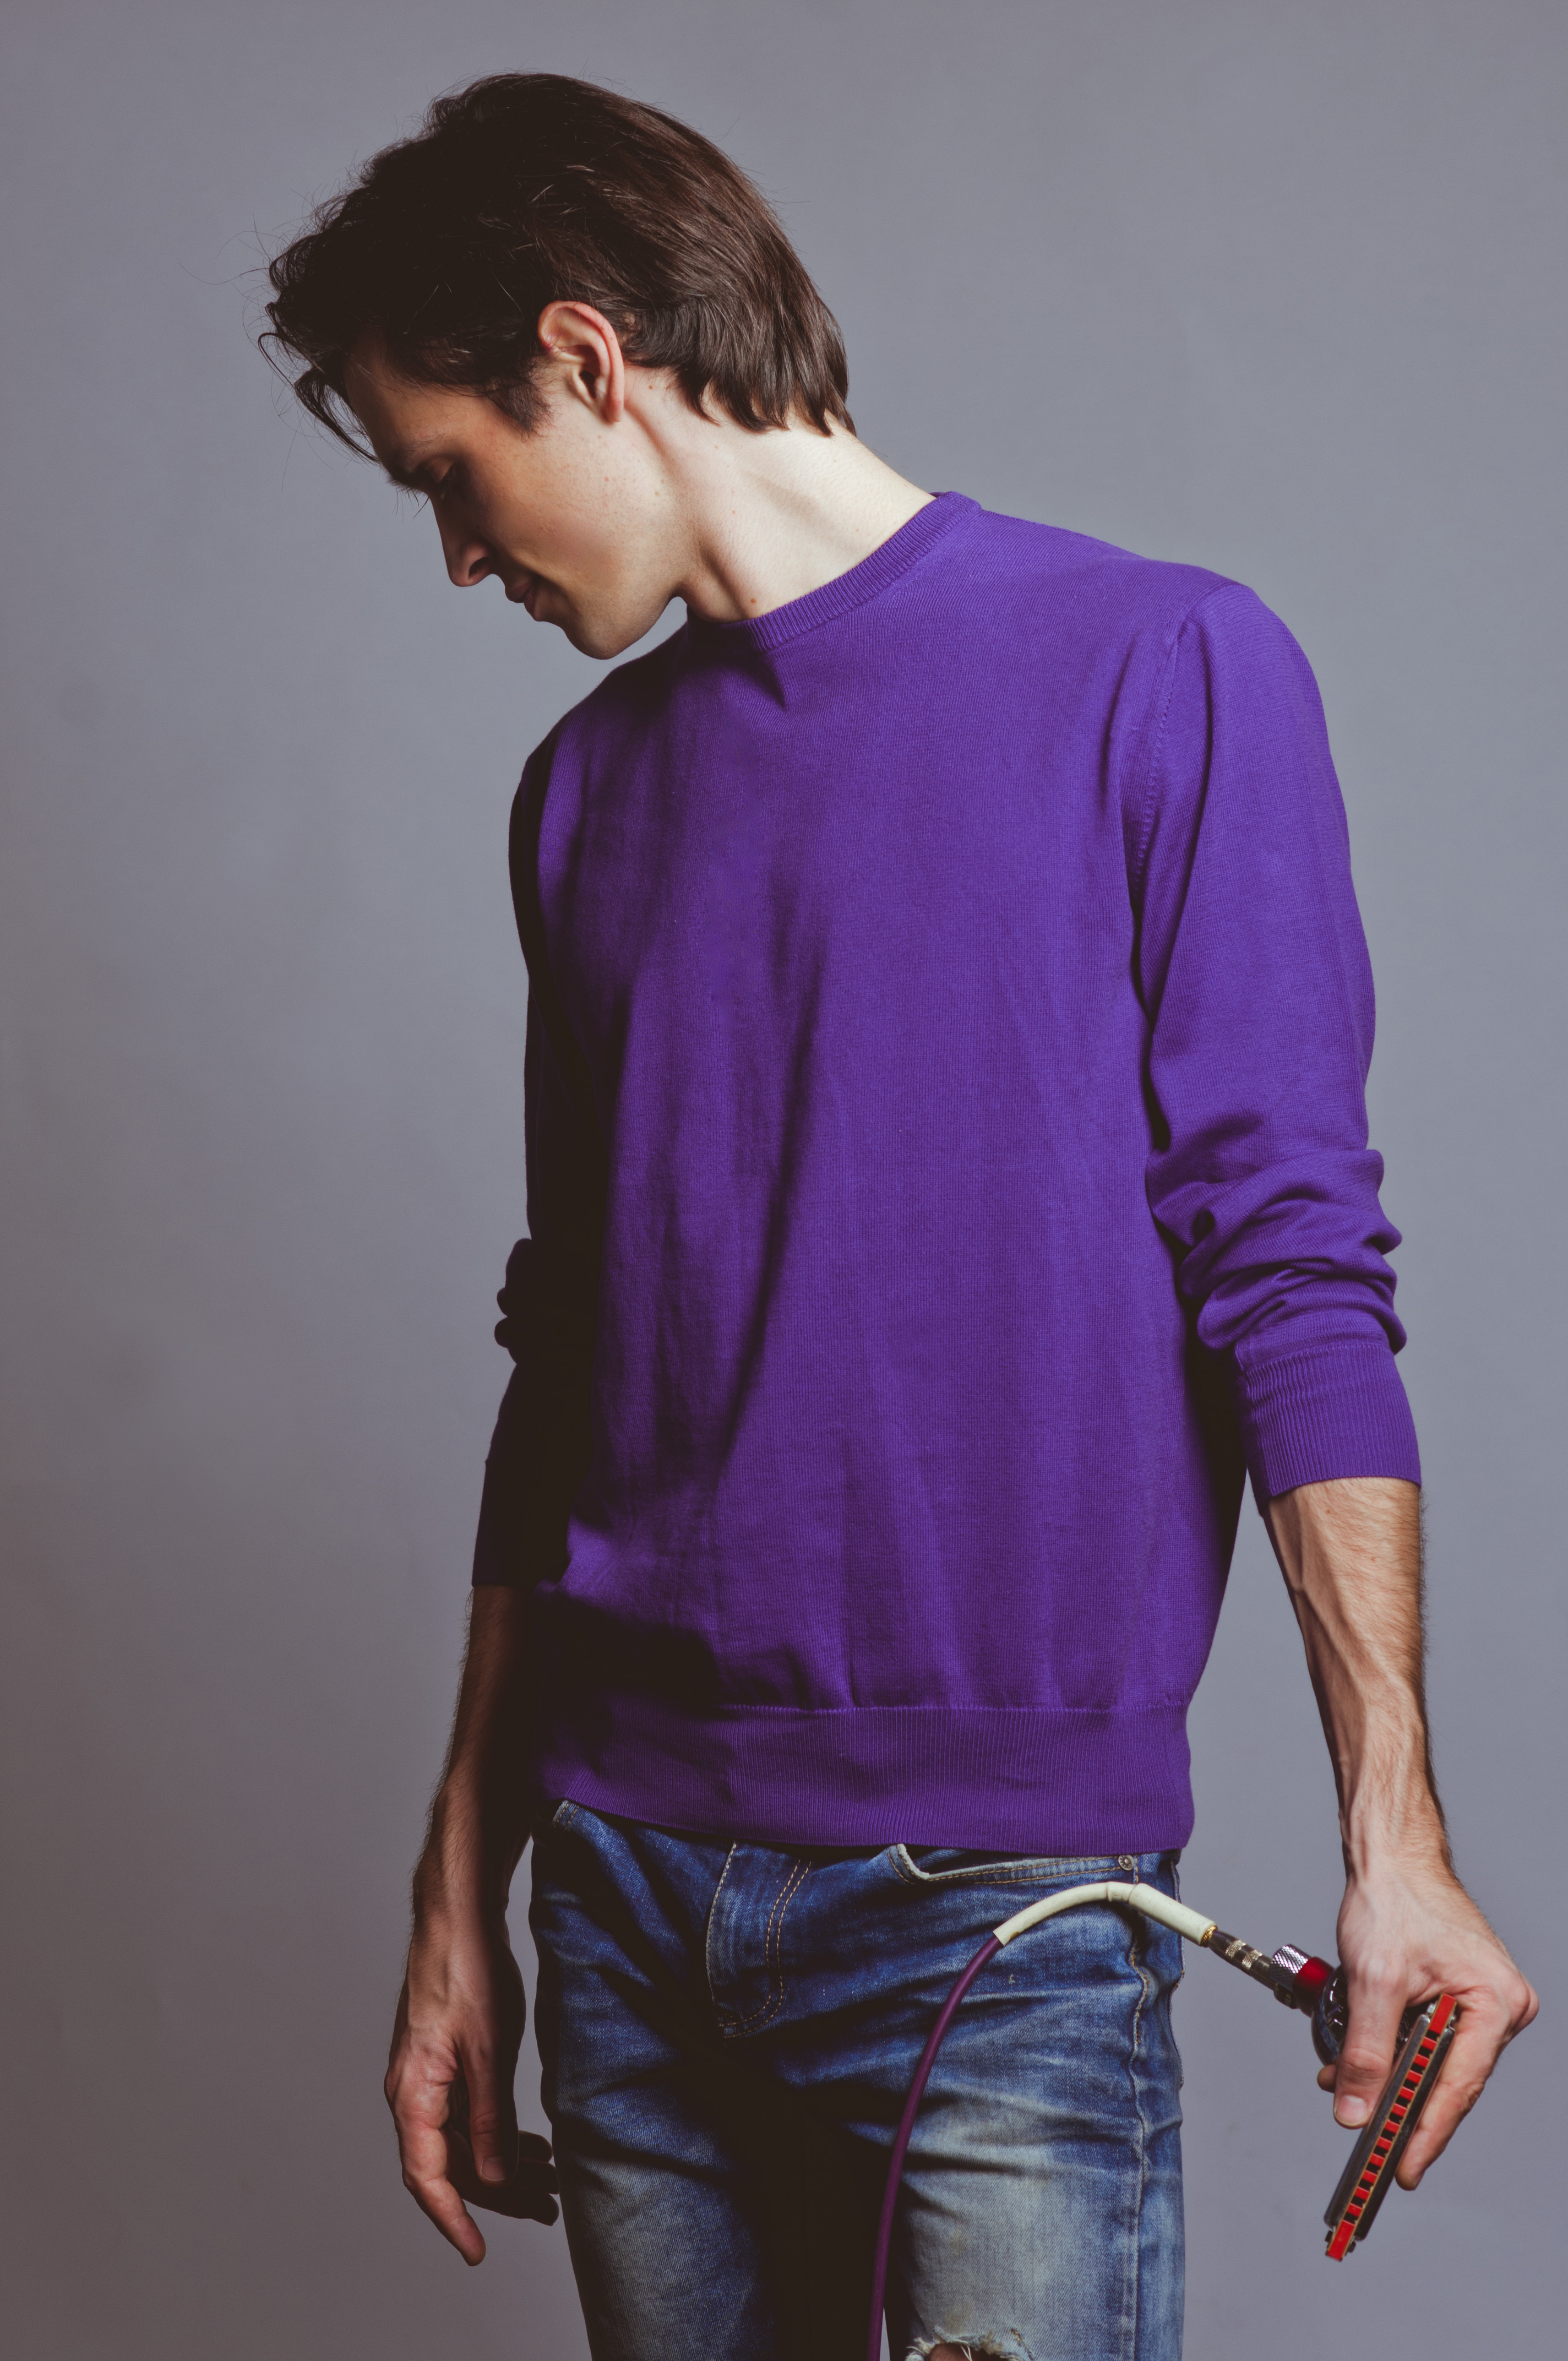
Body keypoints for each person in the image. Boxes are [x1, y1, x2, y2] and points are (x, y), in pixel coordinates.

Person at [263, 71, 1536, 2361]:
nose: (462, 558)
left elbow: (1290, 1270)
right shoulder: (584, 796)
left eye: (451, 475)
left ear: (586, 356)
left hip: (996, 1922)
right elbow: (568, 1360)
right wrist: (462, 1878)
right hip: (623, 1901)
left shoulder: (1164, 668)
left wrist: (1397, 1836)